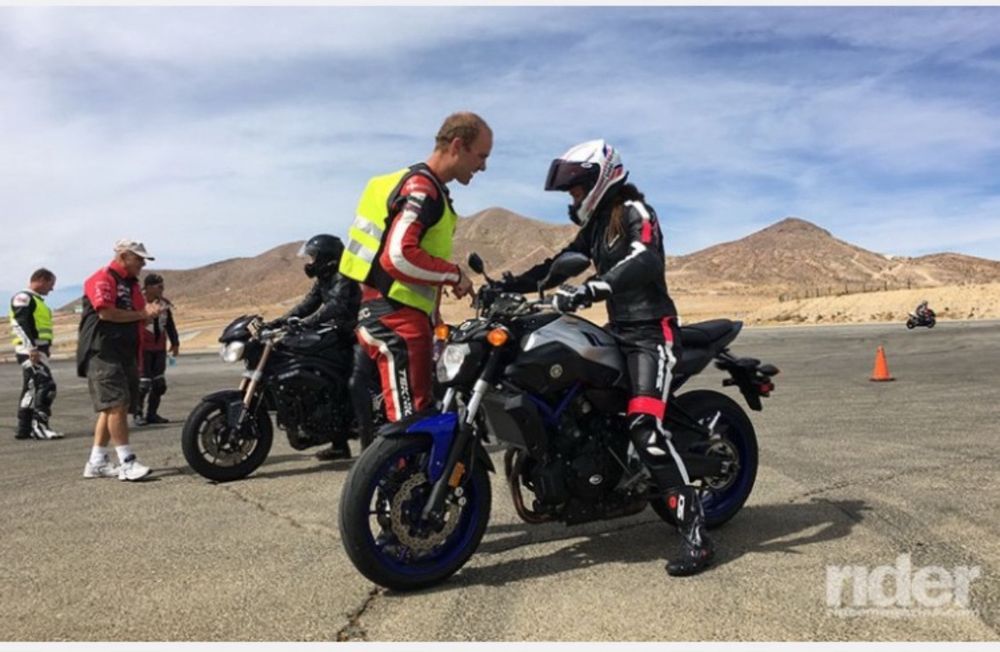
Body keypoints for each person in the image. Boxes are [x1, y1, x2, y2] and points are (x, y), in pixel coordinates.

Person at [499, 140, 714, 576]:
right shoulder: (596, 227)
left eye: (577, 190)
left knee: (644, 427)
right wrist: (507, 286)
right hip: (618, 332)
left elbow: (644, 260)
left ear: (600, 179)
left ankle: (695, 532)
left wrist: (596, 287)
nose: (573, 199)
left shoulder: (635, 212)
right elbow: (560, 263)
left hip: (651, 334)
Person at [339, 112, 488, 422]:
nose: (483, 166)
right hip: (397, 320)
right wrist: (455, 275)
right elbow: (397, 257)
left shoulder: (415, 185)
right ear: (457, 146)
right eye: (481, 155)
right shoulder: (423, 188)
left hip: (383, 313)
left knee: (396, 425)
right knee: (411, 427)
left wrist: (434, 318)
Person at [266, 234, 363, 461]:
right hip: (335, 334)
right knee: (324, 382)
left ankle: (356, 425)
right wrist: (280, 321)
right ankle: (338, 444)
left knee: (346, 382)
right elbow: (307, 304)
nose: (310, 263)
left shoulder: (344, 276)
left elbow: (335, 305)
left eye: (313, 257)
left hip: (352, 335)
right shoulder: (323, 279)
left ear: (327, 258)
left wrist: (307, 322)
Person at [76, 239, 161, 481]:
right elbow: (106, 312)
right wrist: (143, 313)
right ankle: (127, 462)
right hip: (103, 350)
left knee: (112, 407)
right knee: (117, 404)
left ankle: (97, 461)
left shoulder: (133, 285)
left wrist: (147, 315)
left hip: (126, 351)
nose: (143, 264)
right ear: (123, 256)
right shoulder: (102, 277)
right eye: (139, 258)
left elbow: (136, 318)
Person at [9, 268, 63, 440]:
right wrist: (31, 348)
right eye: (50, 284)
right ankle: (39, 426)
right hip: (30, 351)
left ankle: (24, 428)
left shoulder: (38, 301)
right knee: (47, 386)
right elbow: (20, 323)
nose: (52, 289)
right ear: (40, 280)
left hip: (38, 351)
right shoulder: (24, 298)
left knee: (31, 389)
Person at [134, 273, 179, 426]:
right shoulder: (137, 302)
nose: (162, 289)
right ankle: (137, 414)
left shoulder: (164, 304)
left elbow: (170, 324)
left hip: (159, 348)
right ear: (148, 287)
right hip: (142, 348)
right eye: (159, 286)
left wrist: (175, 343)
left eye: (163, 286)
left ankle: (152, 414)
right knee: (143, 384)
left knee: (159, 384)